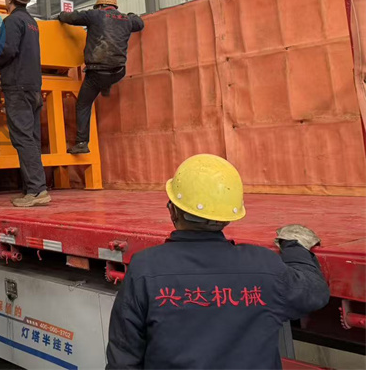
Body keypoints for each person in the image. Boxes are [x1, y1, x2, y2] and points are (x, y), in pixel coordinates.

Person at [105, 154, 330, 369]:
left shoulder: (145, 269)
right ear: (227, 218)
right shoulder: (264, 267)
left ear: (173, 211)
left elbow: (123, 359)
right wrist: (294, 247)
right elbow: (314, 292)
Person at [0, 0, 49, 208]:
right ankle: (33, 188)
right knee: (32, 138)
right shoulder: (32, 22)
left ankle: (37, 190)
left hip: (17, 86)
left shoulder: (12, 20)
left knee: (22, 138)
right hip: (33, 86)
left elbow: (8, 49)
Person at [57, 0, 144, 154]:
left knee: (83, 104)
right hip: (118, 71)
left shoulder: (95, 15)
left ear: (100, 6)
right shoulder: (126, 19)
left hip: (97, 72)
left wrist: (60, 16)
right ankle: (106, 87)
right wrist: (130, 15)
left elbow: (72, 17)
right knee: (106, 77)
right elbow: (139, 23)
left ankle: (82, 142)